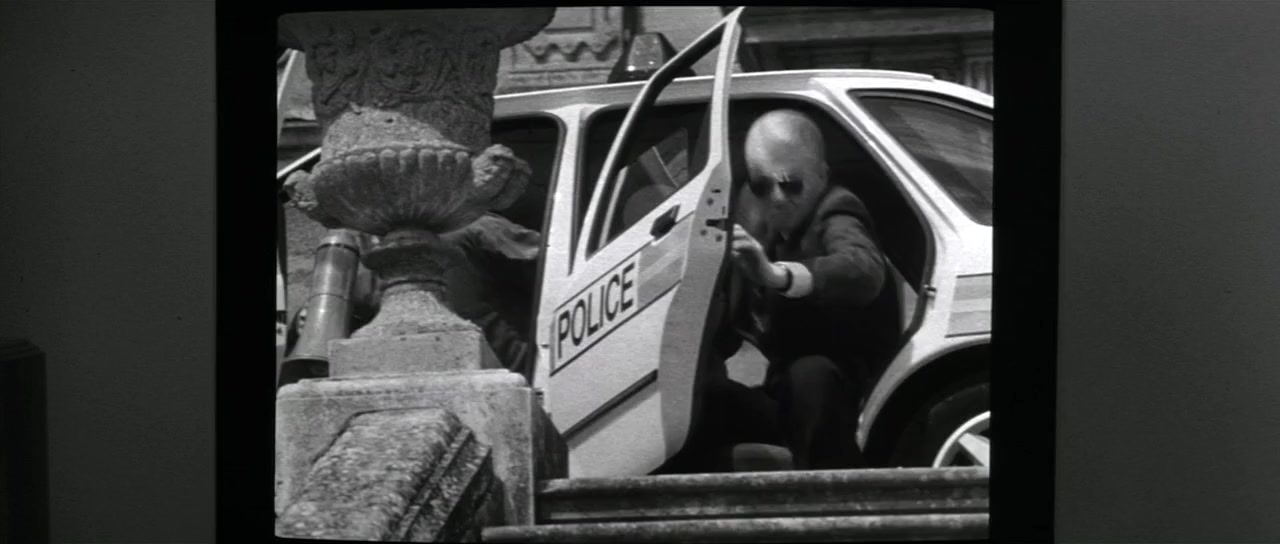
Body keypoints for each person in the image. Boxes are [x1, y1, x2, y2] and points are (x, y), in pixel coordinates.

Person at [667, 108, 901, 472]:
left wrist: (779, 276)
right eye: (762, 186)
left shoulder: (837, 210)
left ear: (821, 175)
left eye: (791, 184)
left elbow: (862, 269)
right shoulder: (754, 223)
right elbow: (729, 327)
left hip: (842, 399)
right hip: (783, 400)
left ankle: (832, 496)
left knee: (810, 375)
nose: (776, 197)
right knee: (701, 402)